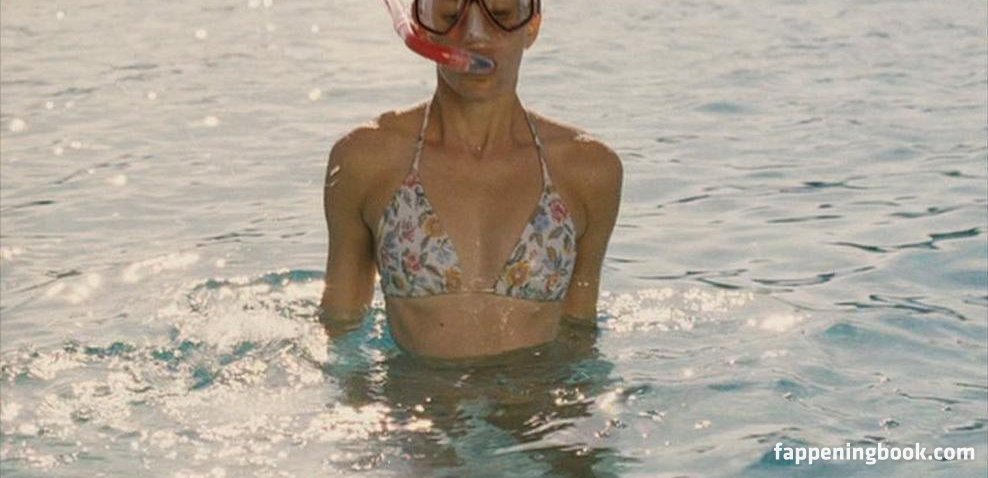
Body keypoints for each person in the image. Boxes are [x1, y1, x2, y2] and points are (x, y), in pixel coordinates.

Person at [319, 0, 622, 361]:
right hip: (413, 397)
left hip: (539, 398)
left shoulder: (588, 171)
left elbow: (580, 334)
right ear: (422, 29)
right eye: (450, 16)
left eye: (502, 14)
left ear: (532, 26)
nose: (475, 36)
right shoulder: (367, 160)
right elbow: (340, 330)